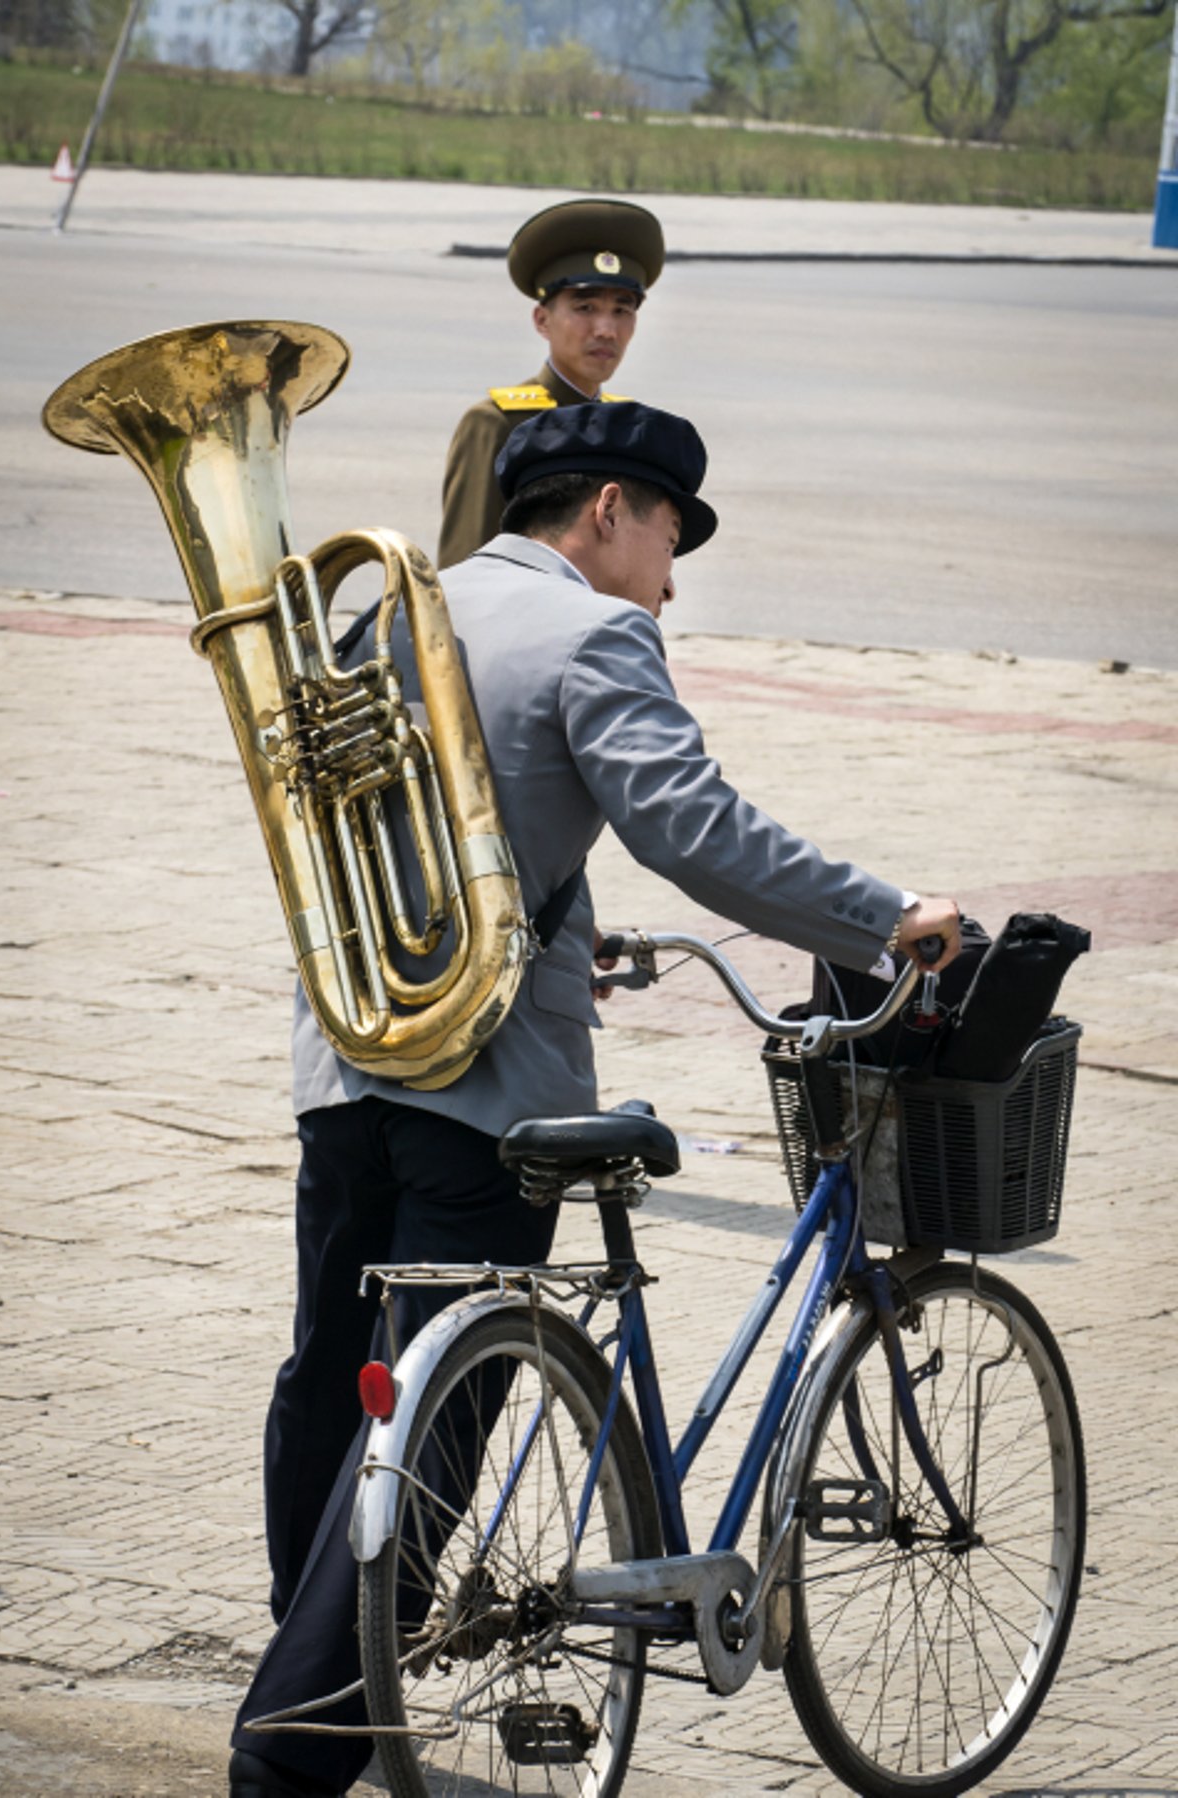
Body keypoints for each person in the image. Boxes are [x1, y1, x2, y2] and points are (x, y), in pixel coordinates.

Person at [228, 401, 960, 1797]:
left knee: (333, 1378)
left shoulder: (389, 602)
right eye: (672, 539)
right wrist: (888, 914)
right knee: (443, 1412)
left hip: (345, 1059)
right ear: (611, 510)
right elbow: (699, 828)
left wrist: (571, 933)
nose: (671, 580)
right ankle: (293, 1747)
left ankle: (313, 1654)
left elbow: (434, 813)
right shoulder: (596, 633)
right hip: (484, 1082)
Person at [436, 196, 665, 572]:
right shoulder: (498, 424)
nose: (606, 330)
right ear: (542, 321)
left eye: (621, 311)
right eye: (585, 308)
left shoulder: (627, 428)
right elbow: (465, 567)